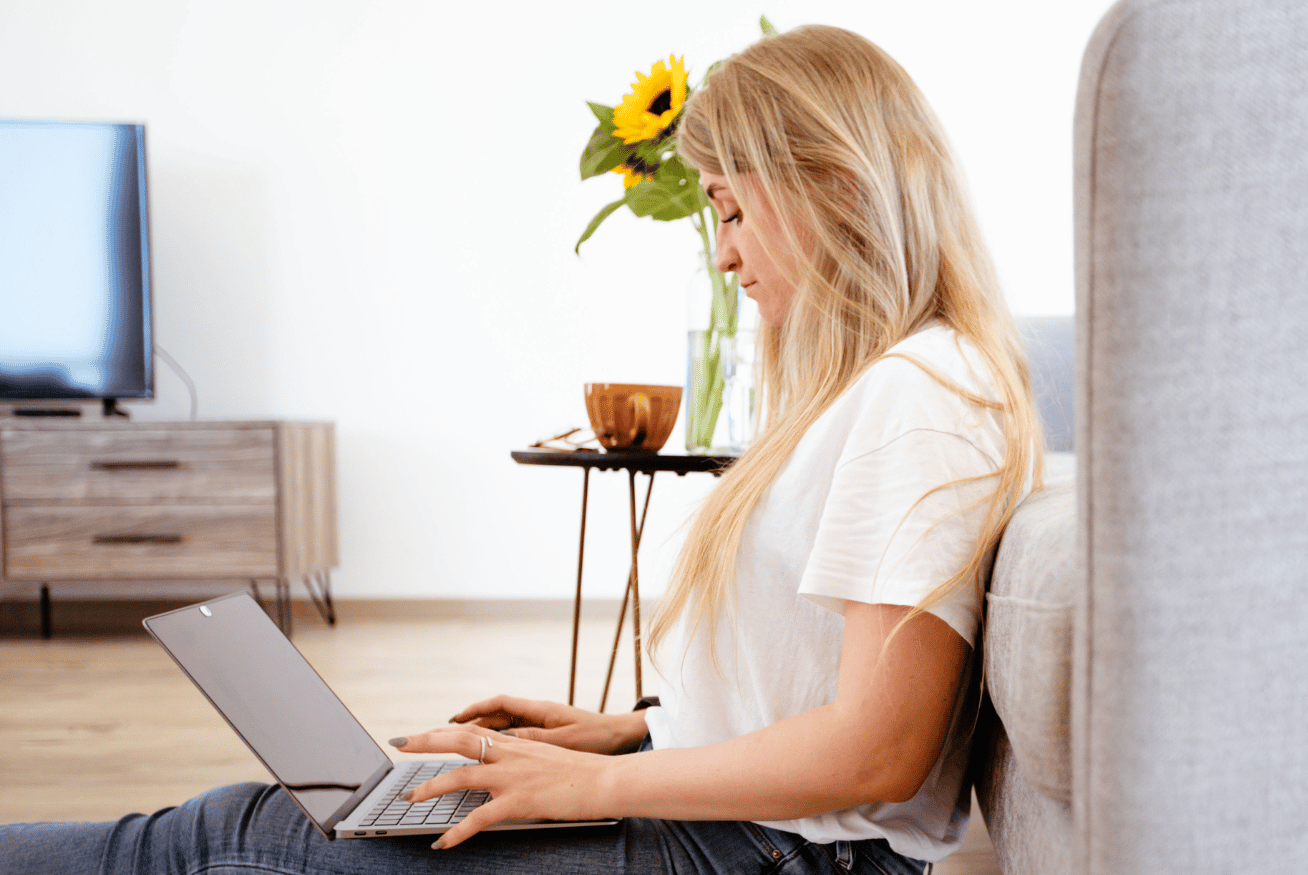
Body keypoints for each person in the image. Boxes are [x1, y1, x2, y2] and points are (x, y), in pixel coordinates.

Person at [0, 24, 1043, 875]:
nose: (723, 255)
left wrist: (592, 788)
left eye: (731, 208)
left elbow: (879, 746)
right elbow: (817, 687)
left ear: (837, 183)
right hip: (750, 828)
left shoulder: (924, 393)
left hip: (779, 853)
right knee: (242, 830)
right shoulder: (886, 386)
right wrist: (624, 732)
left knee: (228, 843)